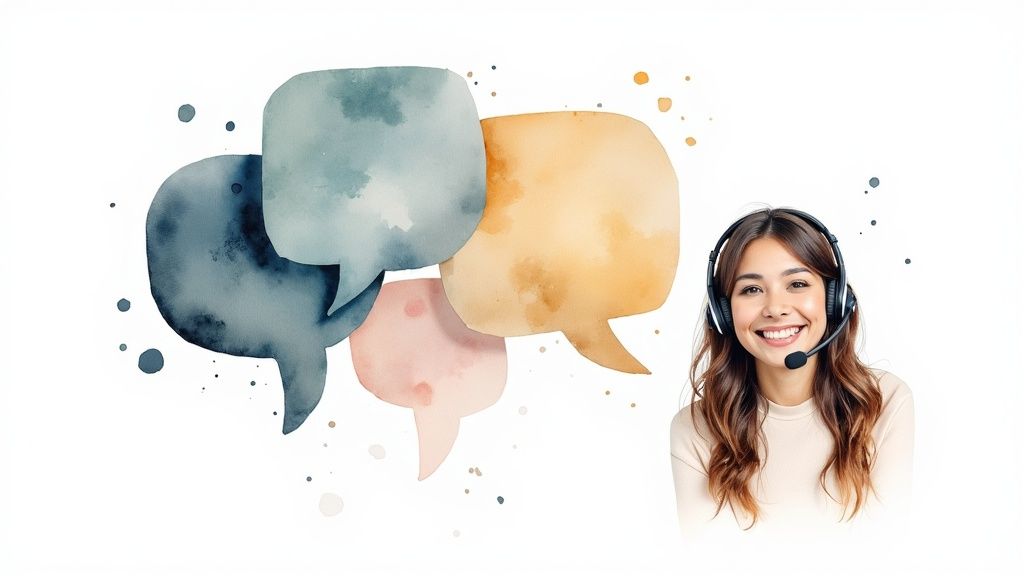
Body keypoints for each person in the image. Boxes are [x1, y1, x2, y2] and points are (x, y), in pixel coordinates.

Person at [670, 207, 914, 542]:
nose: (775, 308)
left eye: (797, 284)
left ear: (835, 300)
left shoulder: (883, 402)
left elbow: (887, 547)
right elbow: (706, 557)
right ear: (723, 314)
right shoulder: (694, 428)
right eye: (751, 289)